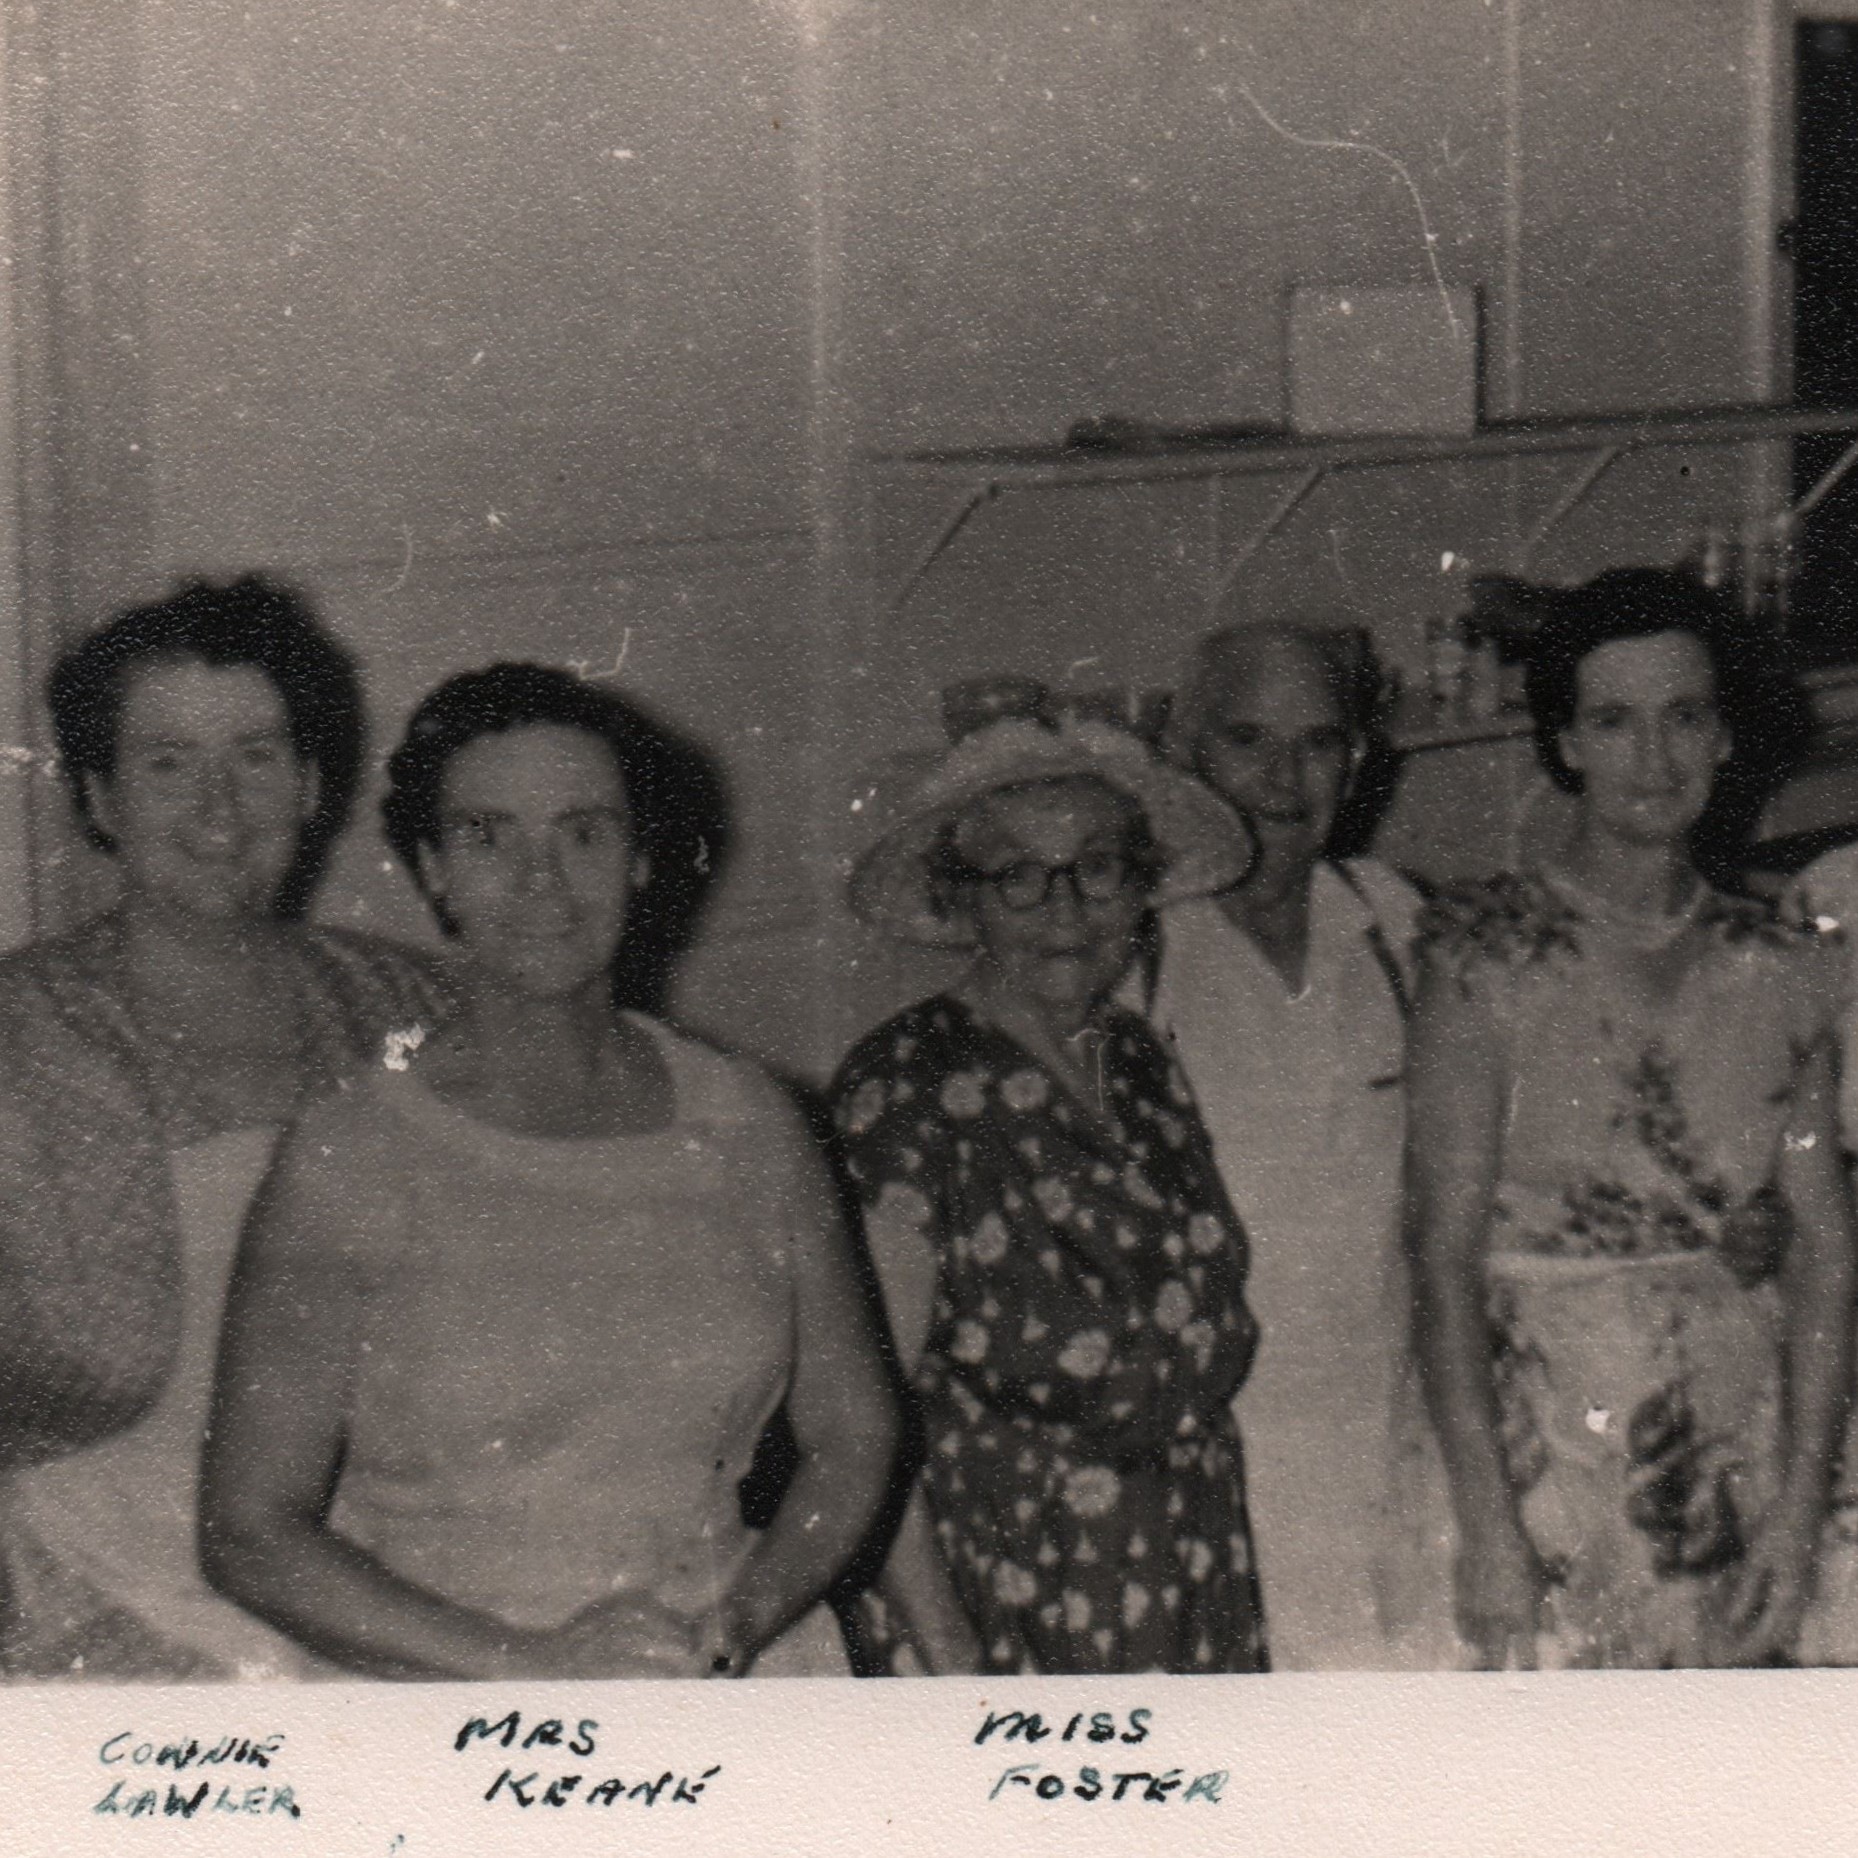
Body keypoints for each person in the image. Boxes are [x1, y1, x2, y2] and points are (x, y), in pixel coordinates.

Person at [201, 662, 897, 1679]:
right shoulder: (349, 1154)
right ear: (432, 866)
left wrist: (742, 1619)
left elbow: (855, 1435)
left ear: (641, 859)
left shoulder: (749, 1118)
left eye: (584, 833)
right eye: (489, 836)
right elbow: (247, 1532)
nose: (542, 880)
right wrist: (536, 1665)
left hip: (726, 1672)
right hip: (464, 1691)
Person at [0, 576, 451, 1681]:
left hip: (388, 1570)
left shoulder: (410, 1010)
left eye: (256, 757)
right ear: (99, 796)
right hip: (93, 1590)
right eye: (167, 764)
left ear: (308, 782)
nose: (219, 810)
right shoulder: (16, 1029)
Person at [1407, 567, 1856, 1669]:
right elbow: (1439, 1257)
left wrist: (1798, 1520)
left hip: (1737, 1452)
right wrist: (1486, 1526)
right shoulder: (1484, 959)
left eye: (1682, 718)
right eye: (1612, 721)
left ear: (1721, 737)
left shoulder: (1786, 964)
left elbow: (1823, 1256)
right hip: (1543, 1463)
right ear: (1563, 744)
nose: (1650, 761)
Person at [830, 682, 1269, 1675]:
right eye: (1018, 876)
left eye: (1099, 869)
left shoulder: (1137, 1060)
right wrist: (950, 1661)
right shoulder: (905, 1087)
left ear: (1142, 884)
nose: (1065, 909)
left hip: (1183, 1566)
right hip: (1004, 1598)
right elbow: (862, 1422)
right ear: (960, 895)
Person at [1148, 622, 1456, 1669]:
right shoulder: (1131, 953)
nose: (1282, 781)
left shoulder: (1397, 924)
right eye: (1246, 740)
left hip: (1399, 1451)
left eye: (1318, 744)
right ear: (1182, 751)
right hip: (1219, 1471)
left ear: (1358, 762)